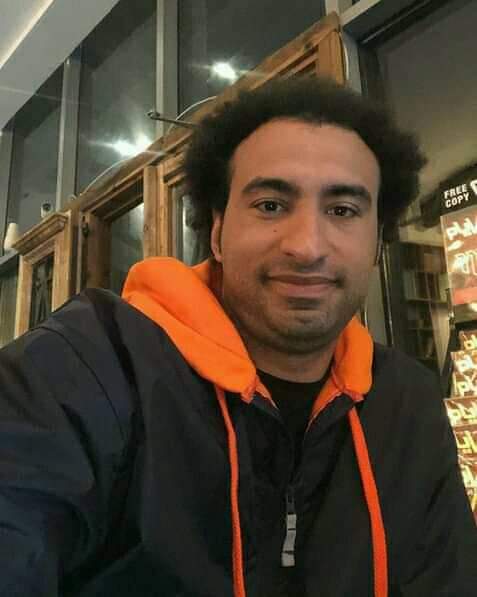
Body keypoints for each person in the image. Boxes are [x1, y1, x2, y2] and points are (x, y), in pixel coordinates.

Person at [0, 77, 475, 597]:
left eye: (342, 211)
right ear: (218, 232)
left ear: (377, 243)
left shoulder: (406, 402)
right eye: (271, 205)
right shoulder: (92, 361)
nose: (307, 246)